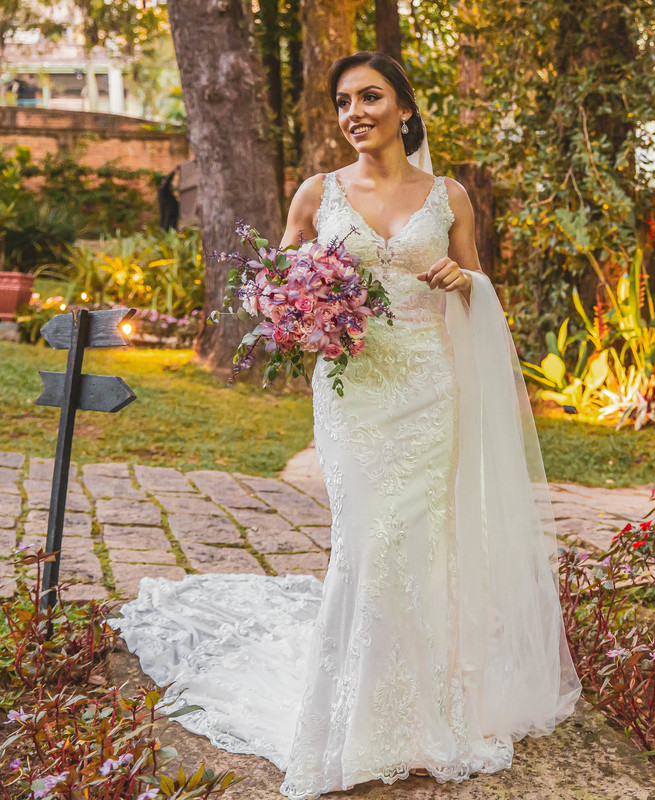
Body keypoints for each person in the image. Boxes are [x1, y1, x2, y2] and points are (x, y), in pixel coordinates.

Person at [108, 51, 583, 799]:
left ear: (404, 109)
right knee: (369, 537)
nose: (354, 112)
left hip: (431, 393)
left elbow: (474, 288)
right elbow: (275, 291)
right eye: (342, 101)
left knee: (423, 543)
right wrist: (298, 315)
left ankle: (428, 710)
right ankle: (354, 715)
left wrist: (469, 283)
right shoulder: (316, 194)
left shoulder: (449, 196)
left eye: (370, 97)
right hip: (355, 397)